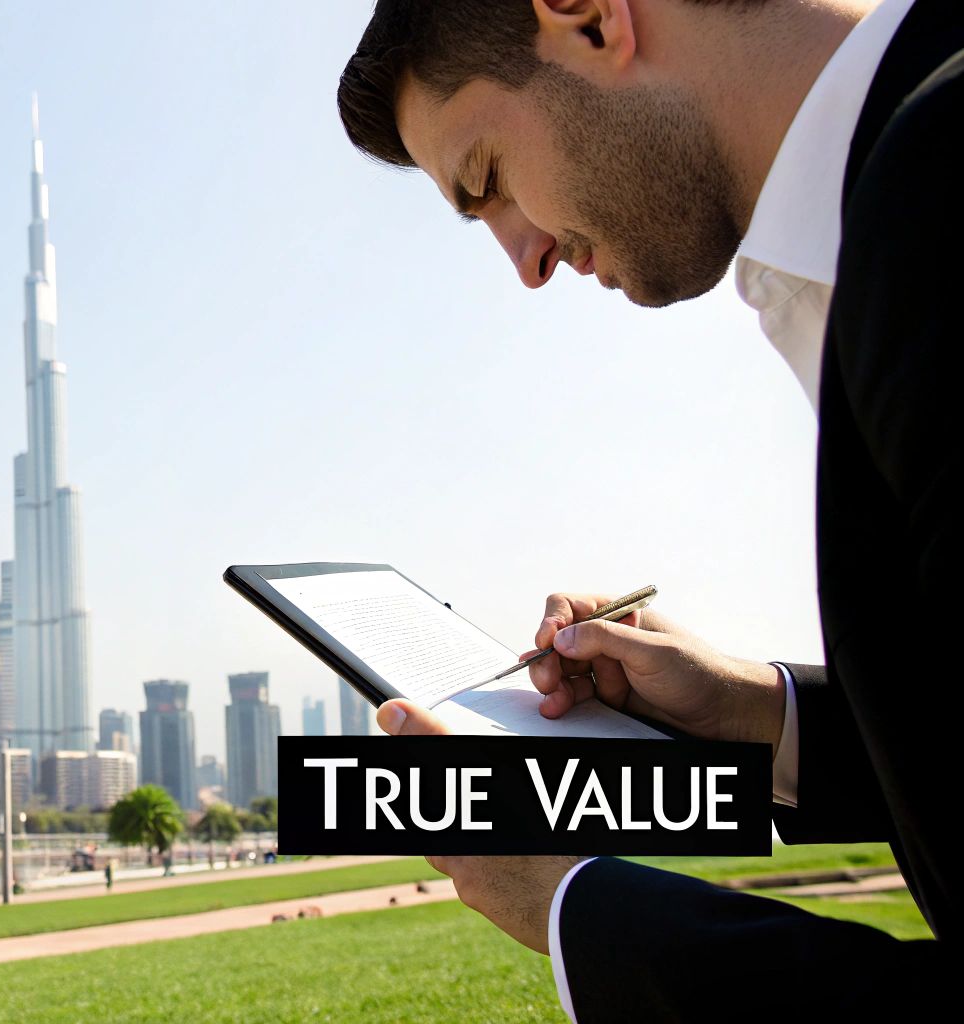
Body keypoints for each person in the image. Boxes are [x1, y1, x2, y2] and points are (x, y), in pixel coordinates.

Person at [334, 0, 957, 1019]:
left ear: (586, 18)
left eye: (486, 178)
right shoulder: (896, 192)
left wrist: (573, 900)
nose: (523, 263)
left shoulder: (937, 193)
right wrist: (754, 716)